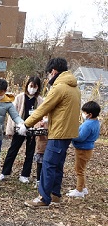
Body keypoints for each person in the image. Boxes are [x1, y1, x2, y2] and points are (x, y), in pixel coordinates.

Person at [23, 57, 81, 208]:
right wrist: (49, 121)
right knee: (57, 164)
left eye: (48, 73)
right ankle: (55, 195)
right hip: (68, 132)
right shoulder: (74, 87)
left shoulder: (60, 87)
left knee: (48, 164)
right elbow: (64, 111)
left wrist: (26, 124)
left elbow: (43, 108)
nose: (48, 77)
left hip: (59, 133)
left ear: (53, 71)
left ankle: (43, 198)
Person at [0, 76, 44, 183]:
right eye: (31, 86)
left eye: (35, 87)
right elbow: (12, 115)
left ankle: (25, 175)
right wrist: (10, 130)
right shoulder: (19, 97)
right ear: (27, 85)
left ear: (38, 88)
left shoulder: (40, 100)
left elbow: (42, 115)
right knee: (13, 150)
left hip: (33, 130)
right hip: (20, 127)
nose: (32, 88)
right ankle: (4, 172)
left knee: (30, 152)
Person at [67, 101, 101, 198]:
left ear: (90, 114)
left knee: (79, 170)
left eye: (84, 112)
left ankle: (79, 190)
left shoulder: (88, 124)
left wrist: (71, 135)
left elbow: (80, 137)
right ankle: (83, 188)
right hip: (88, 149)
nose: (83, 114)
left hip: (83, 150)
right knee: (82, 169)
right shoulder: (96, 122)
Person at [33, 117, 48, 189]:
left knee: (48, 166)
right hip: (40, 148)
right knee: (39, 165)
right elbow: (35, 130)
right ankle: (38, 180)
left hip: (49, 147)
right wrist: (40, 125)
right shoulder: (39, 121)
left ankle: (46, 181)